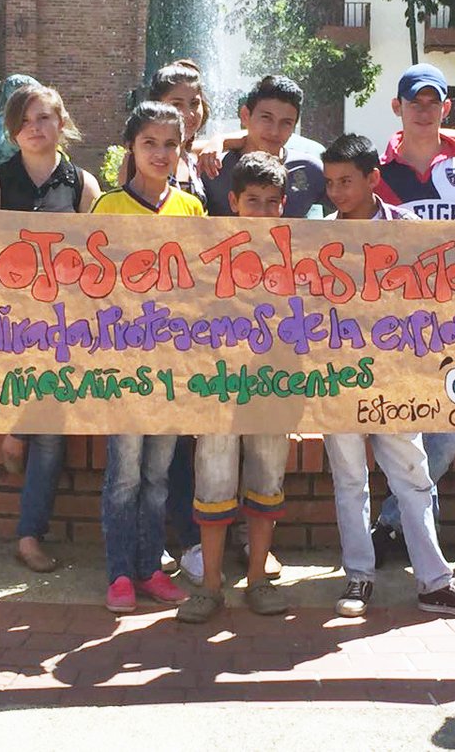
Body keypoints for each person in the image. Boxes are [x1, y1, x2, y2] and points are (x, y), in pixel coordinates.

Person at [320, 133, 455, 621]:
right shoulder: (314, 236)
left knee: (413, 474)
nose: (336, 193)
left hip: (397, 377)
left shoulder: (411, 230)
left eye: (346, 182)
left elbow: (442, 295)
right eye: (330, 182)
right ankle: (358, 576)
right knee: (349, 477)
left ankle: (435, 582)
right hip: (337, 377)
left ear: (374, 179)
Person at [370, 63, 455, 566]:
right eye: (413, 101)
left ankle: (392, 523)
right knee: (406, 426)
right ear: (397, 107)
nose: (423, 110)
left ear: (446, 108)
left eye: (433, 102)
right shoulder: (378, 168)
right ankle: (413, 530)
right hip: (398, 320)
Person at [0, 83, 101, 573]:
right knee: (48, 425)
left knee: (49, 431)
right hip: (9, 323)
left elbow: (94, 260)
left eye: (44, 117)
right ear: (12, 129)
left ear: (61, 123)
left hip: (62, 324)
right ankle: (21, 441)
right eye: (25, 120)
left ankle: (28, 528)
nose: (35, 128)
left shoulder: (82, 184)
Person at [91, 101, 202, 612]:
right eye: (149, 143)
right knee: (126, 474)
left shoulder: (191, 209)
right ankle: (118, 573)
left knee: (158, 475)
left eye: (170, 144)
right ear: (131, 147)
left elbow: (204, 287)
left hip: (174, 369)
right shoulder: (109, 208)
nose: (161, 153)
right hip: (123, 368)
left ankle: (150, 567)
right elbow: (87, 287)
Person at [177, 152, 292, 623]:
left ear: (283, 205)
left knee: (267, 481)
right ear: (233, 201)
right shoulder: (209, 254)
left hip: (275, 389)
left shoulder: (299, 253)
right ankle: (209, 587)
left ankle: (259, 579)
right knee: (214, 483)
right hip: (219, 389)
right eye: (252, 201)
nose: (261, 211)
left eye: (270, 202)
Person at [146, 59, 211, 579]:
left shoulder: (203, 160)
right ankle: (165, 539)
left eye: (194, 103)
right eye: (176, 103)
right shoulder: (141, 168)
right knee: (155, 439)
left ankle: (190, 537)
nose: (186, 112)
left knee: (187, 434)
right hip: (149, 323)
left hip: (196, 320)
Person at [198, 74, 327, 218]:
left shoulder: (310, 170)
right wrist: (219, 140)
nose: (274, 131)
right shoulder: (213, 168)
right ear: (245, 115)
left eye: (286, 122)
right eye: (266, 118)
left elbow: (352, 206)